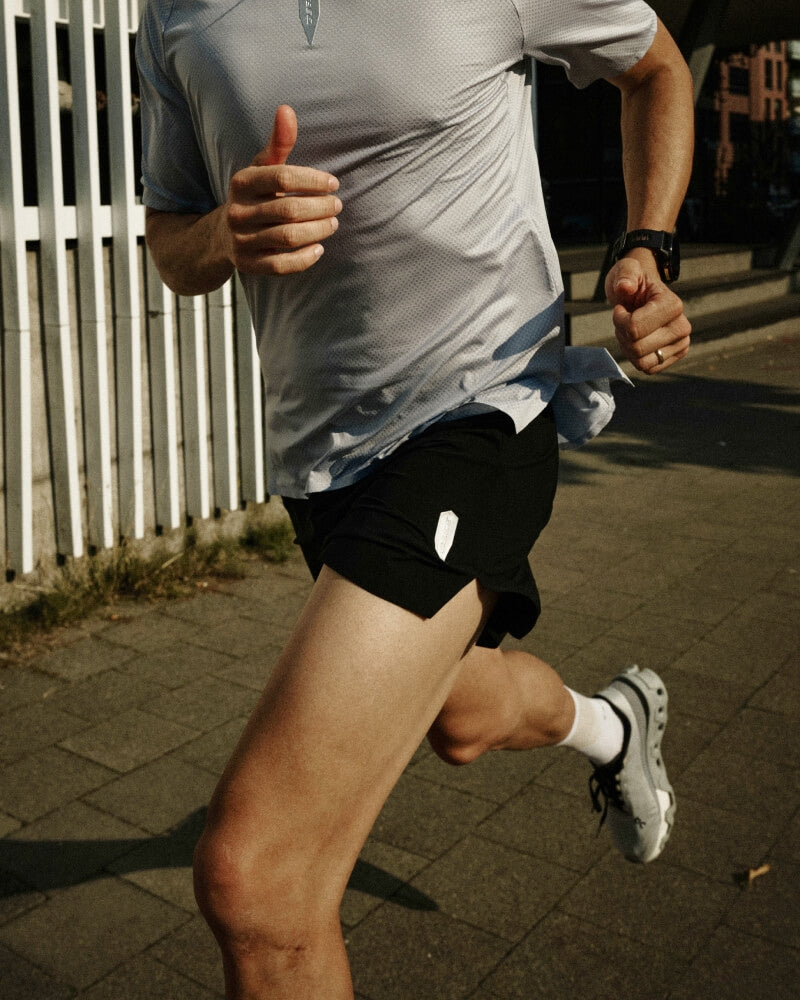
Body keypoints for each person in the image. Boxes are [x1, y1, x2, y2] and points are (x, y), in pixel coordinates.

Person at [137, 0, 693, 996]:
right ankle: (613, 726)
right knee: (462, 718)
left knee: (256, 879)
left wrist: (646, 245)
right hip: (320, 456)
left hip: (480, 409)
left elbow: (656, 69)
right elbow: (170, 240)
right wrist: (225, 231)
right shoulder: (171, 9)